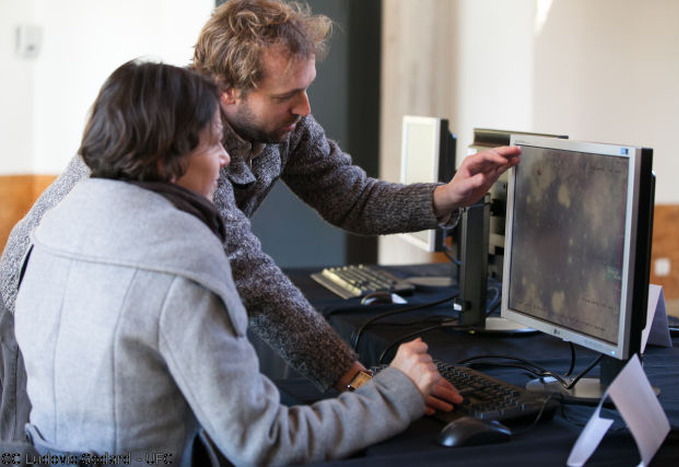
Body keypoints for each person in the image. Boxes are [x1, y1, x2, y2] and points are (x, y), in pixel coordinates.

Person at [0, 0, 519, 439]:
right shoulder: (184, 143)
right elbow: (254, 280)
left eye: (306, 87)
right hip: (46, 297)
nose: (304, 107)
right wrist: (361, 385)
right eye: (286, 95)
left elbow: (351, 197)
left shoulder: (287, 125)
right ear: (227, 90)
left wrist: (448, 196)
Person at [14, 59, 441, 465]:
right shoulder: (182, 264)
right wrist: (394, 391)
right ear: (167, 160)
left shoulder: (54, 226)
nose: (224, 159)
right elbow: (262, 441)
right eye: (213, 143)